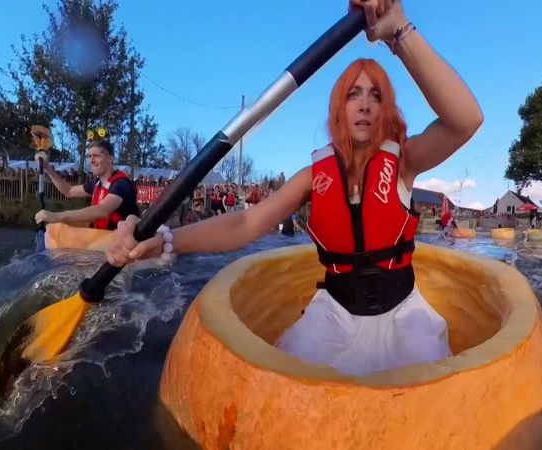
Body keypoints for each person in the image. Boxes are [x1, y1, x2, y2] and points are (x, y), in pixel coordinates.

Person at [107, 0, 483, 376]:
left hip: (404, 314)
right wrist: (164, 241)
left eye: (375, 95)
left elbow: (466, 120)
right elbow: (246, 224)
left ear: (386, 111)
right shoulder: (312, 177)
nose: (365, 106)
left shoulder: (405, 162)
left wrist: (399, 32)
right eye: (354, 95)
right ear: (339, 109)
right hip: (333, 315)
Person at [34, 139, 140, 230]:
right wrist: (47, 167)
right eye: (90, 156)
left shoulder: (120, 184)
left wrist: (58, 216)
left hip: (120, 241)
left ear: (110, 159)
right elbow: (69, 191)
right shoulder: (97, 183)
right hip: (104, 238)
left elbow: (102, 211)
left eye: (97, 156)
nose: (91, 161)